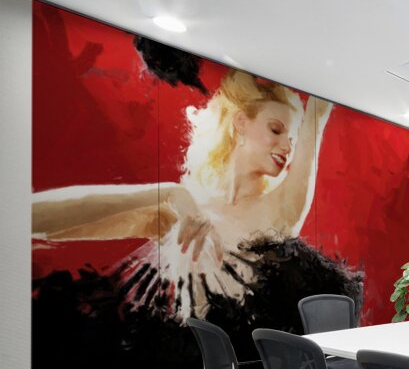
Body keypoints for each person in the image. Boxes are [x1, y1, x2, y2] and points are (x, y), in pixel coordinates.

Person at [33, 70, 334, 320]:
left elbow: (318, 114)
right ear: (241, 123)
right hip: (188, 360)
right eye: (277, 130)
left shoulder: (279, 209)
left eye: (292, 138)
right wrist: (170, 193)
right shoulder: (182, 209)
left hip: (248, 361)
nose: (287, 147)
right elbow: (33, 217)